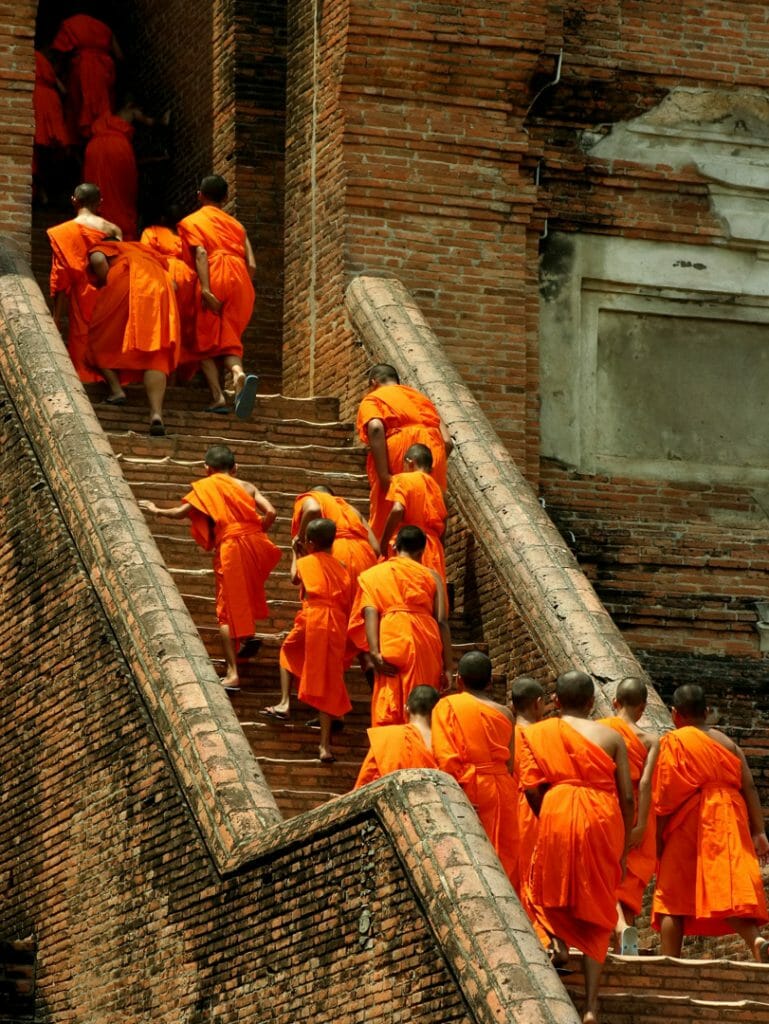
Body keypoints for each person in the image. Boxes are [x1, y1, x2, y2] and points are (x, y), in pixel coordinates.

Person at [518, 670, 634, 1024]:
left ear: (555, 701)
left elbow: (531, 787)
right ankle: (591, 1006)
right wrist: (625, 840)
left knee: (546, 885)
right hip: (602, 814)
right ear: (592, 702)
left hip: (557, 807)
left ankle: (558, 945)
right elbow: (627, 796)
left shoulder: (537, 733)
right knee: (599, 905)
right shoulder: (611, 736)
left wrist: (548, 816)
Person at [139, 445, 280, 691]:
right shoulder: (247, 486)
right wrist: (256, 529)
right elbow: (271, 512)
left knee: (225, 610)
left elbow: (179, 513)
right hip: (255, 543)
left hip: (231, 548)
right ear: (235, 468)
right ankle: (245, 639)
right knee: (244, 594)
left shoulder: (206, 487)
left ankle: (233, 673)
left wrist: (155, 509)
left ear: (207, 469)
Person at [653, 684, 769, 962]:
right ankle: (756, 940)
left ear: (674, 714)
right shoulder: (729, 743)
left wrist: (657, 838)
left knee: (672, 894)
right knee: (726, 889)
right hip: (729, 814)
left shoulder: (675, 741)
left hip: (689, 818)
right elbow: (749, 786)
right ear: (707, 712)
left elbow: (664, 796)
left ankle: (671, 963)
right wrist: (760, 831)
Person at [263, 518, 354, 763]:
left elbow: (295, 577)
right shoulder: (342, 565)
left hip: (314, 618)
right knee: (329, 678)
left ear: (310, 543)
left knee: (288, 650)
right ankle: (325, 746)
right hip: (336, 623)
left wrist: (295, 552)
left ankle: (284, 703)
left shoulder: (305, 561)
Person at [348, 526, 452, 726]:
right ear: (422, 552)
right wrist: (448, 666)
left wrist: (374, 652)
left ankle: (395, 746)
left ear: (394, 547)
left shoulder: (374, 574)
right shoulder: (432, 576)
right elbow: (441, 621)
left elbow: (370, 612)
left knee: (390, 696)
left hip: (391, 637)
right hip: (425, 641)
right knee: (423, 698)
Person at [432, 651, 519, 887]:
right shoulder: (507, 714)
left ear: (459, 680)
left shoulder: (447, 706)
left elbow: (445, 757)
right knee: (504, 857)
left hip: (471, 787)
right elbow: (510, 763)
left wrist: (456, 794)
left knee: (474, 854)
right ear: (490, 682)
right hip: (504, 789)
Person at [177, 175, 258, 417]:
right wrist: (241, 286)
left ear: (199, 195)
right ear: (226, 198)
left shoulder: (192, 221)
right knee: (229, 336)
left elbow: (201, 253)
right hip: (241, 279)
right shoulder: (237, 225)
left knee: (203, 341)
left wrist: (206, 288)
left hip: (213, 273)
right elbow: (252, 264)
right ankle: (237, 373)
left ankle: (218, 397)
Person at [87, 239, 180, 433]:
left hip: (128, 281)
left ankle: (116, 390)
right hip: (161, 286)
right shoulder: (146, 251)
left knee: (98, 340)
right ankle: (156, 413)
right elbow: (174, 284)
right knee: (154, 354)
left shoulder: (112, 247)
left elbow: (97, 259)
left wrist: (107, 278)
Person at [598, 676, 660, 955]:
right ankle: (625, 932)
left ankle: (620, 927)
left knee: (606, 871)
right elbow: (646, 784)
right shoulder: (651, 740)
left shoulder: (601, 730)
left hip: (609, 804)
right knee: (631, 875)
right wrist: (642, 824)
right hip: (638, 811)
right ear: (643, 707)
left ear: (614, 702)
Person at [356, 364, 453, 537]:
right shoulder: (422, 398)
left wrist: (384, 474)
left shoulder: (374, 398)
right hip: (432, 453)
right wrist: (433, 464)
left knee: (395, 510)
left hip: (402, 450)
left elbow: (376, 428)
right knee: (429, 514)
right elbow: (447, 441)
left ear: (373, 382)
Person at [47, 182, 122, 382]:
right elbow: (123, 265)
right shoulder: (112, 229)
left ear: (74, 200)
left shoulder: (63, 232)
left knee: (82, 338)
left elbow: (61, 276)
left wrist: (56, 317)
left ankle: (86, 379)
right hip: (110, 292)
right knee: (108, 337)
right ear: (100, 203)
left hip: (81, 295)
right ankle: (112, 381)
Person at [83, 97, 160, 240]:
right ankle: (118, 224)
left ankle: (98, 220)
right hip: (117, 147)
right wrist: (153, 122)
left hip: (93, 149)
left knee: (98, 190)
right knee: (121, 194)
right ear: (130, 106)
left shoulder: (102, 123)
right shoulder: (121, 128)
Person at [140, 206, 197, 377]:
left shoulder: (152, 231)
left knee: (166, 323)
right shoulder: (184, 237)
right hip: (188, 278)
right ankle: (181, 371)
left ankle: (165, 368)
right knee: (185, 324)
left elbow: (147, 256)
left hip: (165, 276)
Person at [380, 443, 448, 583]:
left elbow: (398, 509)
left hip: (408, 544)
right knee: (430, 593)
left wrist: (383, 542)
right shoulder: (440, 491)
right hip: (432, 549)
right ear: (431, 469)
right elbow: (444, 524)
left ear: (409, 462)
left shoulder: (402, 479)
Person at [51, 12, 122, 138]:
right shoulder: (105, 27)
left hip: (82, 70)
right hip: (105, 70)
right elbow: (120, 56)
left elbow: (59, 53)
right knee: (104, 109)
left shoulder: (70, 23)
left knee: (80, 110)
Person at [354, 685, 440, 788]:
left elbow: (364, 783)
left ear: (406, 708)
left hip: (392, 801)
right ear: (436, 711)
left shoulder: (387, 738)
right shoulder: (445, 743)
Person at [291, 485, 378, 584]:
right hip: (365, 559)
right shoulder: (351, 509)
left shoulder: (313, 497)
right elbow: (376, 549)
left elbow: (313, 509)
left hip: (334, 553)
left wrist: (300, 537)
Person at [511, 676, 546, 906]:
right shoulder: (545, 735)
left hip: (510, 809)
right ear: (539, 703)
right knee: (536, 870)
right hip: (537, 808)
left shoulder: (505, 733)